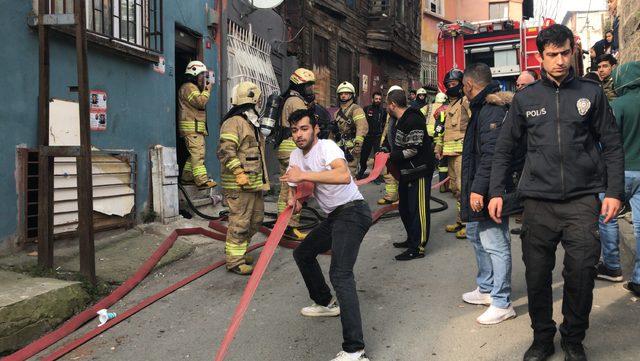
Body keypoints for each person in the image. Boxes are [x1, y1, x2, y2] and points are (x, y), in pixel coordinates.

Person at [488, 24, 624, 361]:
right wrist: (495, 191)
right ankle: (542, 338)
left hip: (581, 200)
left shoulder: (591, 93)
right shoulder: (525, 99)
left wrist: (614, 191)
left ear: (572, 52)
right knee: (536, 275)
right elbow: (504, 149)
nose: (560, 60)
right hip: (537, 202)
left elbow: (612, 146)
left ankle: (574, 339)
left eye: (565, 53)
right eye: (552, 55)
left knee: (581, 273)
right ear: (540, 57)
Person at [282, 108, 372, 361]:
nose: (299, 135)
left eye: (304, 128)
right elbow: (293, 186)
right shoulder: (294, 156)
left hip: (354, 212)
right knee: (303, 253)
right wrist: (294, 199)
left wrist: (304, 175)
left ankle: (355, 350)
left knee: (341, 274)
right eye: (294, 131)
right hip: (334, 216)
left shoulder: (327, 147)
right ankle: (324, 302)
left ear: (315, 129)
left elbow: (343, 175)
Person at [459, 63, 516, 325]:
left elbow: (492, 156)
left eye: (462, 86)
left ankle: (502, 301)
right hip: (481, 185)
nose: (461, 90)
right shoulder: (482, 108)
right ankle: (486, 288)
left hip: (491, 189)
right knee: (475, 234)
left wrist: (478, 190)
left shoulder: (491, 109)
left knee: (495, 242)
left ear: (469, 84)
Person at [597, 61, 640, 296]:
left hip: (620, 171)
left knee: (608, 218)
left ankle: (612, 266)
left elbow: (608, 141)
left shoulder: (618, 105)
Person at [217, 82, 269, 275]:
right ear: (253, 99)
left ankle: (240, 251)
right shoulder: (234, 122)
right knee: (239, 223)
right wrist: (238, 172)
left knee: (256, 220)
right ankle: (234, 261)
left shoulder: (250, 122)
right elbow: (225, 150)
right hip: (239, 186)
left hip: (253, 184)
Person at [384, 87, 435, 260]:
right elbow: (393, 141)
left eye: (386, 104)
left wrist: (391, 156)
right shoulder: (396, 120)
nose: (385, 107)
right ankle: (411, 238)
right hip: (406, 171)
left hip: (418, 171)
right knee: (405, 208)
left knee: (417, 210)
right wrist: (385, 149)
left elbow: (413, 149)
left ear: (392, 104)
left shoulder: (412, 119)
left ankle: (418, 247)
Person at [277, 68, 316, 240]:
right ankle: (289, 227)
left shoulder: (291, 99)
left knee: (286, 189)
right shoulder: (297, 102)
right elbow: (305, 129)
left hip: (286, 148)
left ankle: (283, 225)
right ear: (299, 85)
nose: (310, 90)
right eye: (307, 87)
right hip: (292, 149)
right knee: (293, 190)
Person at [439, 68, 472, 239]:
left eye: (454, 84)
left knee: (463, 188)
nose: (451, 87)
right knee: (455, 189)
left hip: (462, 152)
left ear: (461, 85)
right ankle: (460, 220)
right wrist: (439, 147)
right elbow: (444, 130)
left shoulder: (466, 101)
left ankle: (468, 224)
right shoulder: (449, 104)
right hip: (450, 153)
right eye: (448, 84)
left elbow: (474, 123)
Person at [178, 60, 216, 188]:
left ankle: (187, 178)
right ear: (194, 74)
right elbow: (200, 102)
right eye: (201, 75)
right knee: (198, 154)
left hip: (195, 129)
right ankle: (202, 181)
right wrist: (207, 90)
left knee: (193, 155)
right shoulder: (189, 87)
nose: (203, 79)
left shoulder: (191, 87)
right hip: (192, 129)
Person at [333, 81, 369, 176]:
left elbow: (362, 127)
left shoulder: (356, 109)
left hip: (352, 149)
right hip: (339, 148)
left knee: (350, 174)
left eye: (346, 94)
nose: (343, 96)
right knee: (339, 174)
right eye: (341, 94)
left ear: (352, 95)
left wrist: (358, 145)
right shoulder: (337, 113)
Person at [358, 91, 386, 179]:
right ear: (372, 99)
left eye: (379, 99)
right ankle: (362, 168)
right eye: (376, 99)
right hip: (367, 136)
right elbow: (361, 122)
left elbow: (385, 123)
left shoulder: (383, 111)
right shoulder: (366, 109)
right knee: (363, 156)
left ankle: (375, 175)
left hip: (378, 137)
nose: (378, 100)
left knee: (377, 157)